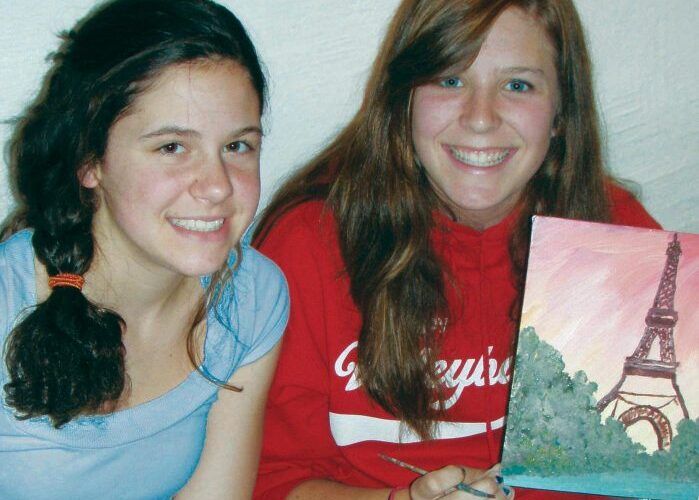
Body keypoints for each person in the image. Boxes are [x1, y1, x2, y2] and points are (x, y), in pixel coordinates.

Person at [252, 0, 659, 498]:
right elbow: (270, 477)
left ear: (559, 114)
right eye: (449, 79)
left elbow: (656, 475)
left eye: (517, 85)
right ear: (403, 99)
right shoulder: (308, 243)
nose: (480, 118)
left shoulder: (621, 237)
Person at [0, 0, 288, 498]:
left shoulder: (251, 297)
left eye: (238, 146)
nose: (218, 187)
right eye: (172, 147)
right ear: (90, 161)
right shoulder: (7, 299)